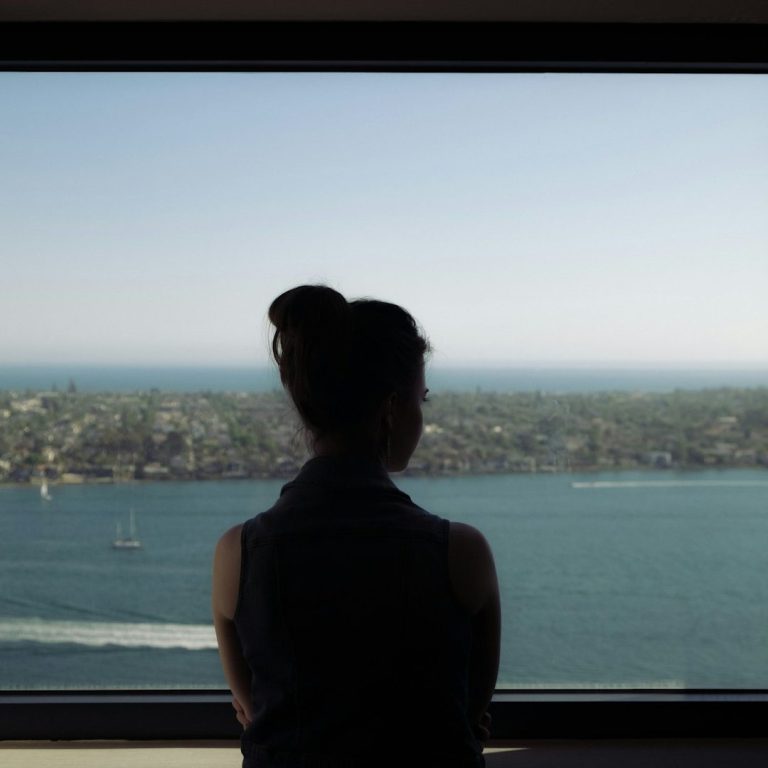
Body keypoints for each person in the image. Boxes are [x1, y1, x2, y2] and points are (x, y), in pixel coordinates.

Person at [212, 285, 500, 768]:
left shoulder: (238, 553)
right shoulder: (461, 553)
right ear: (391, 409)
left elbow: (257, 714)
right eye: (420, 400)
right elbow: (468, 714)